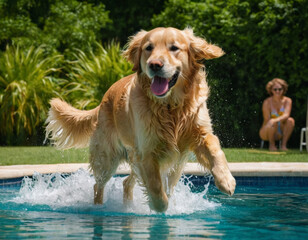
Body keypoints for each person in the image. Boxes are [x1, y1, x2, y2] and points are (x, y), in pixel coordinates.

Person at [259, 78, 295, 151]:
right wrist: (273, 121)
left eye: (280, 89)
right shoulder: (267, 102)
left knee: (290, 120)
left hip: (281, 129)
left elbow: (286, 115)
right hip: (267, 130)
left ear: (283, 89)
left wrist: (275, 120)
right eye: (275, 89)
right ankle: (271, 145)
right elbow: (267, 120)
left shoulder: (288, 101)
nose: (277, 91)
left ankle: (283, 146)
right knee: (273, 123)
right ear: (271, 90)